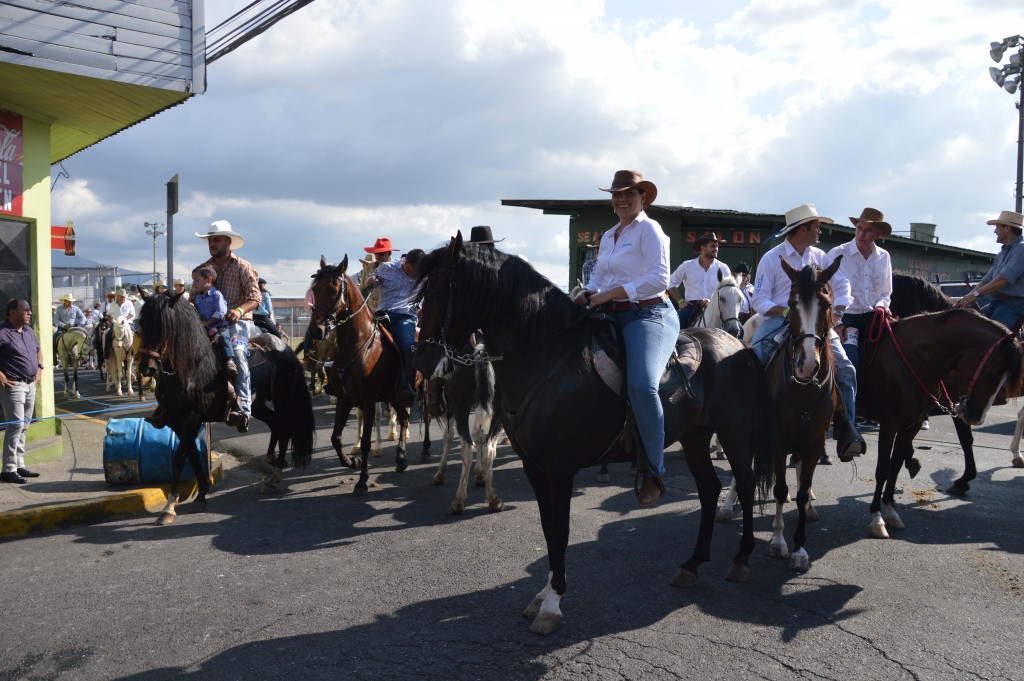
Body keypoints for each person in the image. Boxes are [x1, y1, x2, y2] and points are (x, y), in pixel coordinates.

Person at [572, 170, 679, 507]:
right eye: (616, 195)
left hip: (649, 314)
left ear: (642, 198)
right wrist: (584, 292)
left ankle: (654, 471)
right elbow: (599, 278)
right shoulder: (608, 235)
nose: (621, 200)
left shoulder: (650, 229)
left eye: (628, 194)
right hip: (613, 313)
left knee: (642, 386)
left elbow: (659, 279)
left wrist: (613, 293)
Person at [749, 203, 865, 461]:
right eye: (816, 227)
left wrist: (839, 309)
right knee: (754, 361)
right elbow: (758, 299)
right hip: (780, 319)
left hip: (816, 324)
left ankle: (847, 430)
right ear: (802, 229)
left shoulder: (820, 257)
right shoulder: (771, 258)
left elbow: (842, 283)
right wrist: (787, 312)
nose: (819, 232)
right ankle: (749, 425)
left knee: (846, 369)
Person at [195, 220, 261, 432]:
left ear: (228, 242)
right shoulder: (205, 270)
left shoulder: (243, 267)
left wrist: (239, 310)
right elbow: (193, 295)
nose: (212, 243)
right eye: (210, 240)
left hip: (239, 322)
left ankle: (244, 408)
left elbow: (255, 297)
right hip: (211, 323)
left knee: (239, 353)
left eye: (216, 239)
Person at [827, 208, 893, 376]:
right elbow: (826, 293)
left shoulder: (884, 256)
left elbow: (886, 293)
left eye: (868, 230)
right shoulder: (837, 254)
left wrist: (881, 306)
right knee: (852, 362)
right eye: (859, 228)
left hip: (874, 318)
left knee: (894, 359)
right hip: (845, 318)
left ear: (878, 234)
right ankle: (848, 401)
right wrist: (836, 323)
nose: (861, 234)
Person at [364, 247, 424, 405]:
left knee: (408, 346)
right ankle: (343, 376)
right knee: (359, 336)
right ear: (407, 263)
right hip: (383, 313)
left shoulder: (424, 274)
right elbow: (370, 279)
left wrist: (424, 308)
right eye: (415, 269)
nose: (417, 273)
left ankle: (406, 386)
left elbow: (432, 292)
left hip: (405, 316)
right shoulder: (387, 268)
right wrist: (370, 281)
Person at [956, 210, 1024, 330]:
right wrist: (968, 297)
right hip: (997, 302)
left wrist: (976, 294)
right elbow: (987, 280)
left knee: (990, 335)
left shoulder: (1021, 249)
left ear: (1007, 228)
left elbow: (1004, 279)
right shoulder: (1001, 254)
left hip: (1015, 304)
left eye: (997, 227)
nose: (995, 231)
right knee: (972, 326)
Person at [0, 299, 43, 484]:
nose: (29, 313)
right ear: (11, 312)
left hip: (30, 384)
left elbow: (38, 351)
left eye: (29, 310)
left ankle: (19, 464)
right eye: (25, 310)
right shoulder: (2, 332)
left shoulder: (29, 331)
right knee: (16, 424)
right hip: (13, 385)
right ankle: (8, 469)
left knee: (25, 425)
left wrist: (40, 368)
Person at [668, 232, 731, 327]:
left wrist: (712, 300)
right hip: (691, 308)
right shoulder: (687, 266)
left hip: (715, 307)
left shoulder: (723, 268)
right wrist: (680, 301)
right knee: (674, 327)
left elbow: (728, 291)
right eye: (712, 246)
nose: (716, 249)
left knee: (740, 330)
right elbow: (670, 283)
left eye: (717, 246)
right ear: (703, 248)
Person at [191, 265, 237, 376]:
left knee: (223, 337)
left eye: (196, 280)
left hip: (218, 325)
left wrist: (208, 322)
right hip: (204, 326)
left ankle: (230, 360)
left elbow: (220, 312)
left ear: (209, 279)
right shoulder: (198, 298)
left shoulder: (216, 295)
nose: (194, 284)